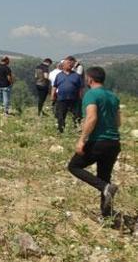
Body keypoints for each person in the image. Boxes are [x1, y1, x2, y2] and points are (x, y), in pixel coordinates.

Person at [67, 66, 121, 218]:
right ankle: (106, 215)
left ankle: (104, 187)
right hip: (114, 142)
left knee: (74, 166)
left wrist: (81, 140)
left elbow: (91, 118)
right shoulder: (112, 96)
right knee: (104, 175)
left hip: (98, 141)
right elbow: (118, 122)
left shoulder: (91, 94)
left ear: (89, 79)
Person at [53, 56, 84, 133]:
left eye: (71, 64)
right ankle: (60, 130)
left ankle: (76, 129)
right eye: (68, 63)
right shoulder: (59, 75)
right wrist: (53, 96)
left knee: (76, 116)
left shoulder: (76, 76)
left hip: (74, 99)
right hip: (61, 99)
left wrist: (80, 98)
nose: (70, 65)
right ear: (63, 65)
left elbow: (80, 88)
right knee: (61, 116)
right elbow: (54, 86)